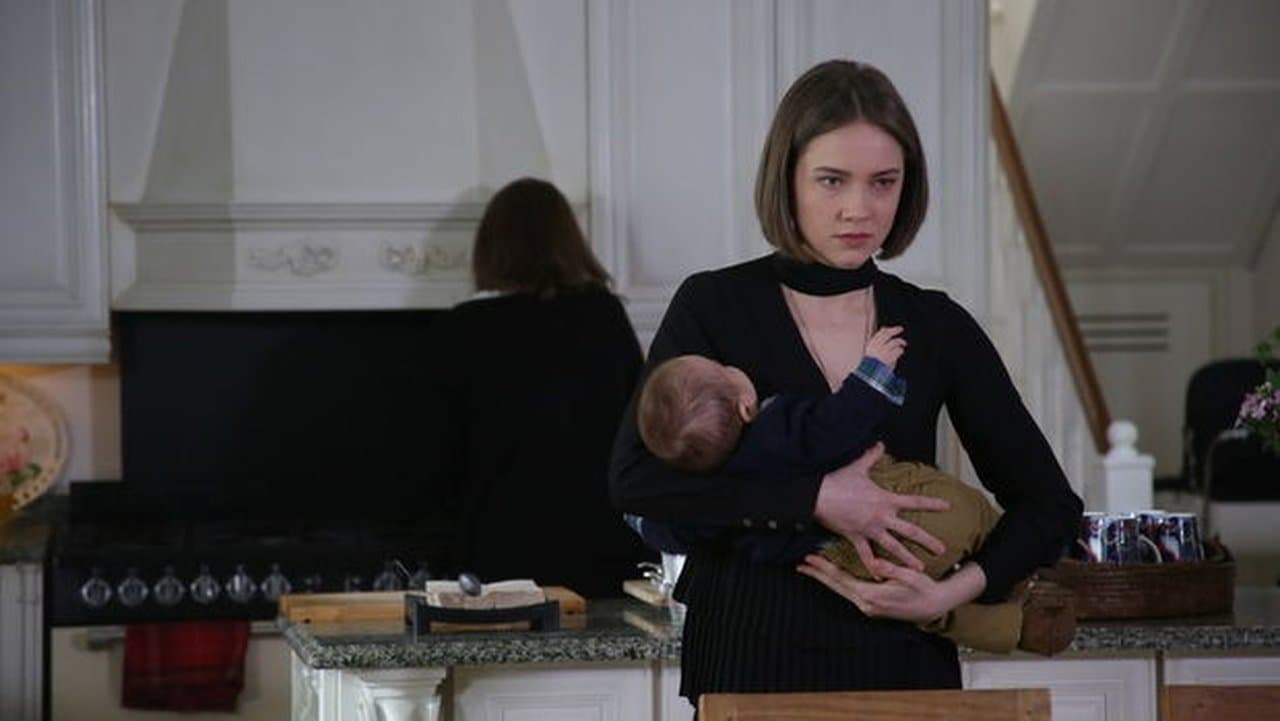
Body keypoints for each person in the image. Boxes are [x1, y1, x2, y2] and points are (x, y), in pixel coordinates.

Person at [609, 60, 1083, 702]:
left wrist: (948, 595)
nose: (859, 209)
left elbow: (1049, 505)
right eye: (832, 180)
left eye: (883, 182)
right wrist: (813, 499)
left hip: (902, 662)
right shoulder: (714, 305)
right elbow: (637, 482)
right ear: (787, 179)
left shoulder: (936, 323)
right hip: (747, 660)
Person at [627, 343, 1075, 655]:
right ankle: (1025, 580)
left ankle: (1015, 626)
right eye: (725, 370)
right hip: (916, 505)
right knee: (974, 517)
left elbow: (672, 527)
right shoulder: (779, 423)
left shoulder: (712, 502)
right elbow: (841, 421)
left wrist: (642, 521)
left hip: (852, 560)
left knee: (920, 609)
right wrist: (873, 373)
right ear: (746, 407)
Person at [423, 177, 653, 599]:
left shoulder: (462, 330)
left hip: (497, 555)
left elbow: (440, 460)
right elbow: (637, 434)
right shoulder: (604, 317)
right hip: (602, 546)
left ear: (490, 248)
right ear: (569, 242)